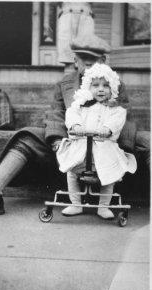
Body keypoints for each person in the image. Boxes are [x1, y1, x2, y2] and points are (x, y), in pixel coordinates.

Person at [0, 33, 150, 217]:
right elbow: (57, 113)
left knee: (148, 140)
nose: (87, 65)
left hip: (106, 141)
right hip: (74, 141)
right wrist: (56, 140)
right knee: (26, 136)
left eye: (93, 61)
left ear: (103, 61)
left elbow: (123, 115)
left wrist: (115, 143)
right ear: (74, 61)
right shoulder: (65, 84)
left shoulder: (114, 84)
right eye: (82, 60)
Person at [56, 63, 137, 218]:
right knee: (71, 171)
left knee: (109, 176)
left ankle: (103, 206)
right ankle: (75, 203)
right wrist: (76, 125)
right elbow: (71, 115)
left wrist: (108, 129)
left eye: (106, 86)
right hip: (82, 149)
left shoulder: (116, 110)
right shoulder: (79, 106)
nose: (101, 89)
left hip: (104, 149)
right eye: (95, 85)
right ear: (88, 88)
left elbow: (116, 122)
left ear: (112, 89)